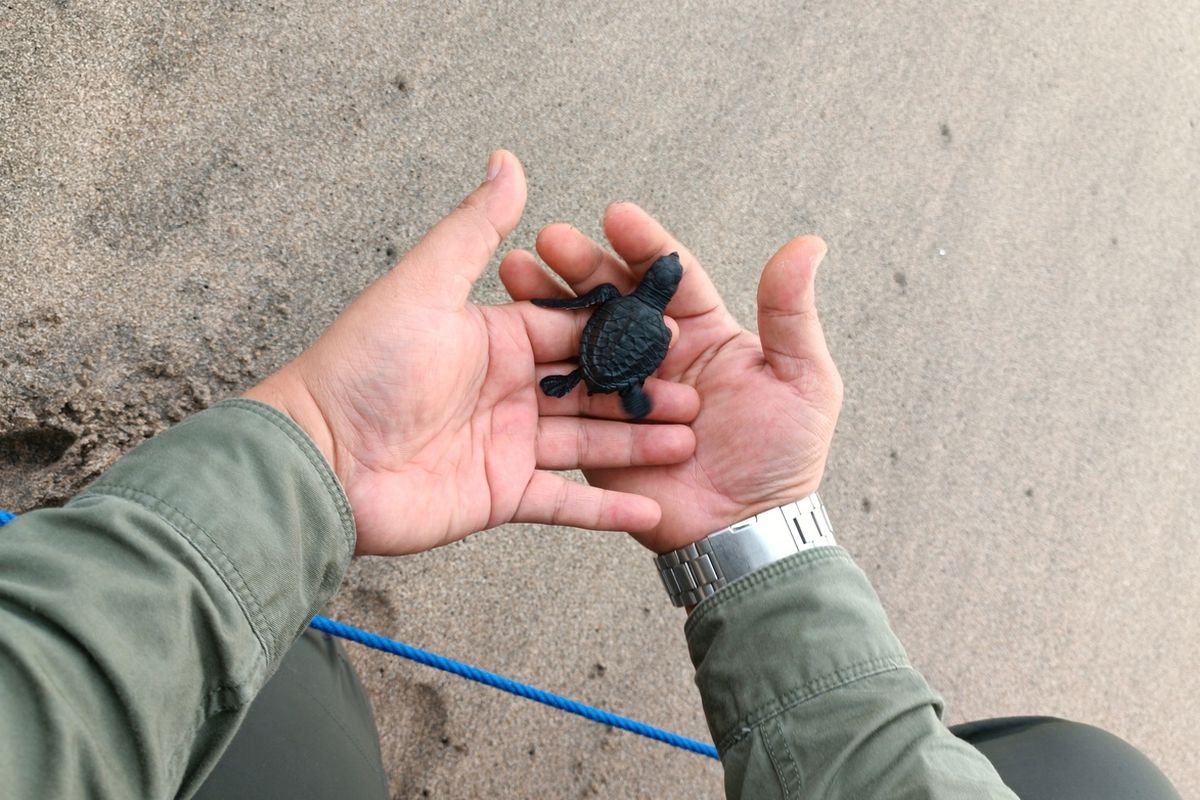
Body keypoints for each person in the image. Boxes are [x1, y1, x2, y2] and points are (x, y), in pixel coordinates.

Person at [0, 151, 1179, 799]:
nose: (653, 286)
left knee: (272, 675)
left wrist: (309, 442)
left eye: (649, 284)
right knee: (1090, 777)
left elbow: (621, 315)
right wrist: (763, 532)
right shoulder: (637, 319)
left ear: (638, 297)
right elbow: (630, 316)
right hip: (625, 392)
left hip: (606, 376)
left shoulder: (624, 313)